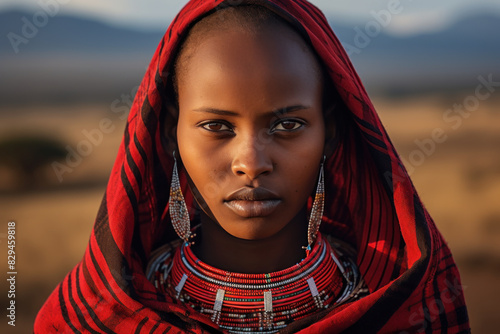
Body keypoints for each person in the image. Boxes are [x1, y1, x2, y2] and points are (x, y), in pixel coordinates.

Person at [34, 0, 470, 333]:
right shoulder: (96, 317)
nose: (252, 163)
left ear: (330, 133)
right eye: (217, 126)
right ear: (170, 133)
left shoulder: (406, 309)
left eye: (287, 124)